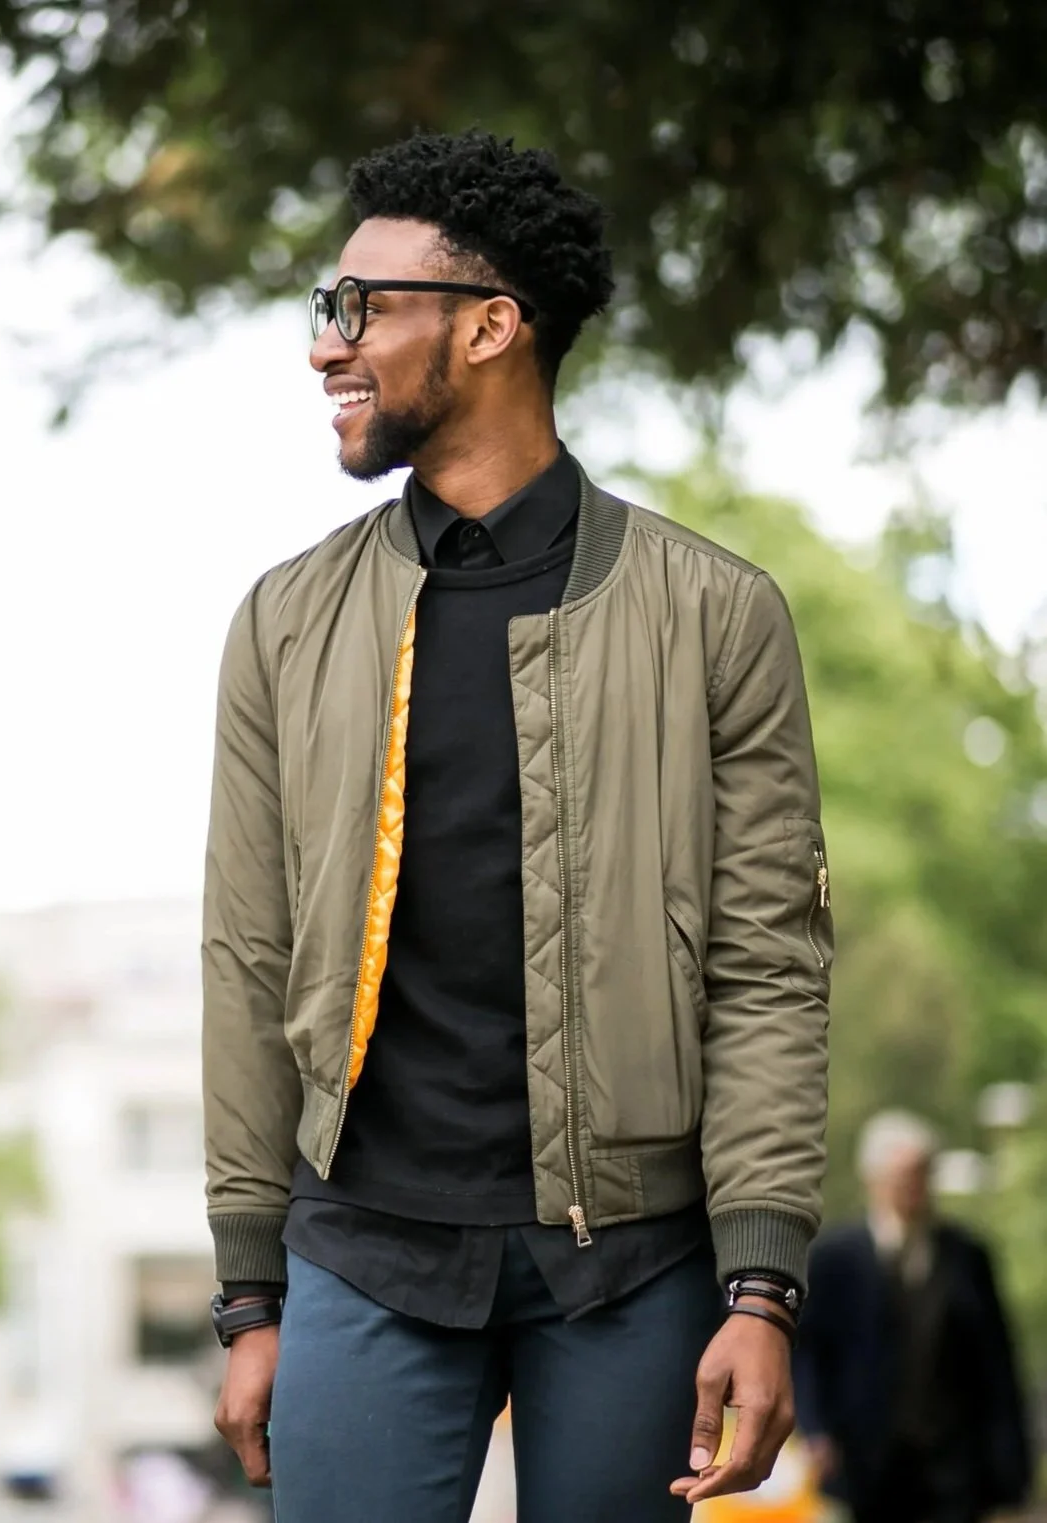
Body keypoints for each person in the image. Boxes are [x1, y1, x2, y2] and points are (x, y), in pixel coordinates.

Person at [201, 129, 833, 1523]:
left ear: (491, 326)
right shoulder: (284, 622)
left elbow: (768, 966)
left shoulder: (715, 615)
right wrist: (249, 1291)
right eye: (330, 305)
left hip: (634, 1263)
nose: (326, 345)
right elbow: (246, 956)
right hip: (360, 1247)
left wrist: (763, 1284)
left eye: (362, 306)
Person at [794, 1110, 1032, 1523]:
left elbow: (997, 1362)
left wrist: (1011, 1458)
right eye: (902, 1176)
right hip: (865, 1462)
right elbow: (808, 1352)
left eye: (922, 1174)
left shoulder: (968, 1255)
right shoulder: (833, 1258)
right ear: (874, 1179)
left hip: (955, 1465)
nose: (913, 1187)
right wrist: (815, 1431)